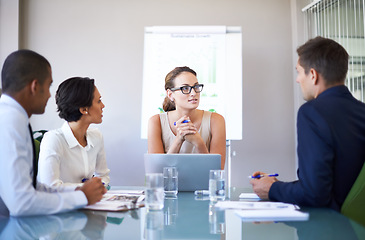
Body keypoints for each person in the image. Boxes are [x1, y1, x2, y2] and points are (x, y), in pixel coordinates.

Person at [250, 36, 365, 211]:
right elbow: (336, 183)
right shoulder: (361, 111)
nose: (297, 79)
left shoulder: (312, 112)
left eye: (298, 71)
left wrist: (272, 189)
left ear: (312, 75)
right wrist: (277, 184)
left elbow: (315, 194)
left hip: (329, 227)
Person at [0, 49, 106, 217]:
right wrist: (81, 196)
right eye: (48, 86)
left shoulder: (13, 118)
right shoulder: (10, 123)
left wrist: (81, 191)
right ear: (35, 86)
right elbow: (21, 203)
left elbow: (32, 188)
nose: (51, 95)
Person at [147, 66, 226, 169]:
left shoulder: (216, 120)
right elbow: (157, 172)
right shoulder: (156, 121)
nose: (194, 93)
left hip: (202, 185)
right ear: (170, 94)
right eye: (185, 88)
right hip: (170, 185)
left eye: (196, 87)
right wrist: (179, 139)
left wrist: (198, 142)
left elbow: (217, 172)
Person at [38, 77, 110, 188]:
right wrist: (85, 189)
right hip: (61, 204)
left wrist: (99, 185)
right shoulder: (53, 139)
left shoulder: (96, 136)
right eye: (99, 101)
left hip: (88, 203)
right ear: (84, 109)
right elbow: (49, 186)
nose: (103, 106)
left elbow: (103, 176)